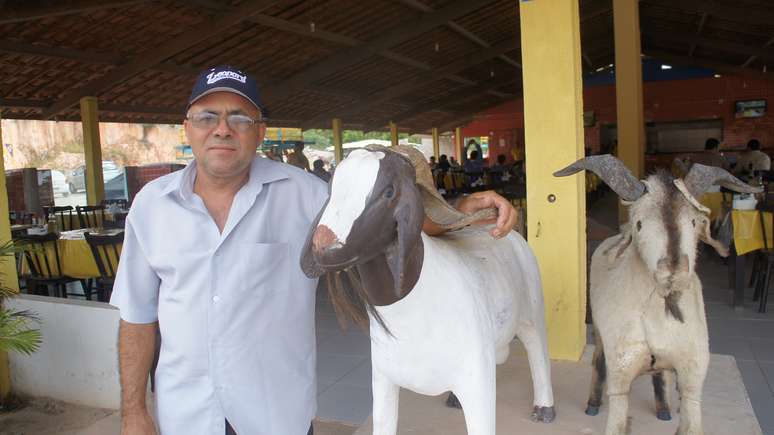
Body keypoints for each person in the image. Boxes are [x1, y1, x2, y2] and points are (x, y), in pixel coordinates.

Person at [110, 65, 519, 435]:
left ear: (261, 131)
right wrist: (134, 411)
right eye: (207, 117)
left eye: (239, 117)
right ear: (187, 128)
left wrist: (462, 210)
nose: (222, 129)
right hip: (187, 416)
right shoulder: (150, 206)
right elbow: (137, 317)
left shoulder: (306, 194)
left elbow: (381, 217)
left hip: (275, 416)